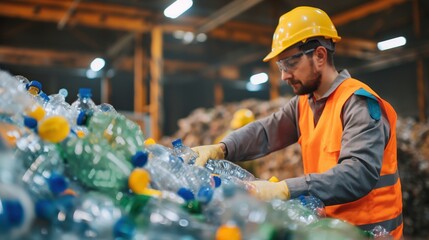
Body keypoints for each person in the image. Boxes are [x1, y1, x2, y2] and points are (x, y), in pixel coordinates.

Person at [191, 6, 403, 239]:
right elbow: (264, 132)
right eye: (280, 66)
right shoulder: (304, 104)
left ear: (320, 56)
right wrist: (222, 148)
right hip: (331, 232)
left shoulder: (358, 103)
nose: (283, 75)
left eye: (289, 63)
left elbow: (357, 174)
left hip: (370, 233)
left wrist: (284, 189)